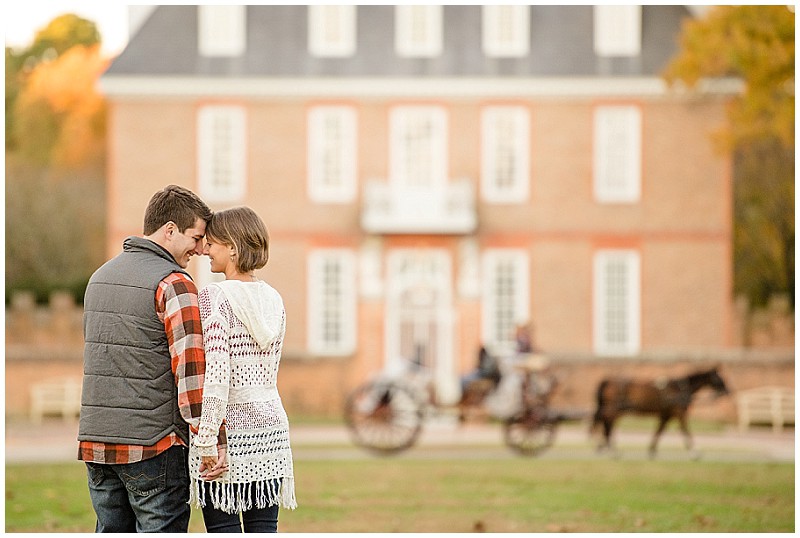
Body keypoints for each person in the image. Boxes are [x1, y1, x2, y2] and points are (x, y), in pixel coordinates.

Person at [78, 184, 226, 532]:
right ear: (170, 230)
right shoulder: (174, 283)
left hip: (96, 445)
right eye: (196, 237)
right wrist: (210, 438)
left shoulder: (99, 278)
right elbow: (191, 374)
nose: (201, 248)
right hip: (154, 447)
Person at [188, 206, 297, 533]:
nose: (205, 250)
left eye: (212, 244)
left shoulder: (214, 296)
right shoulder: (274, 299)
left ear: (233, 248)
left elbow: (217, 376)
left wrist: (207, 440)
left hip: (229, 434)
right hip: (271, 430)